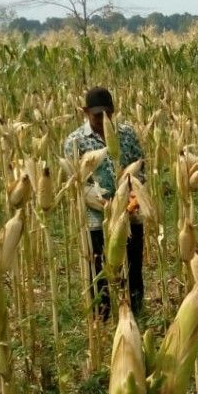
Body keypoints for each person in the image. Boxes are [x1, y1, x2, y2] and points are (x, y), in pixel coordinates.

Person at [64, 86, 145, 319]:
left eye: (107, 114)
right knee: (99, 271)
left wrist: (134, 194)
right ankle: (103, 317)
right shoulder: (75, 141)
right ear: (85, 112)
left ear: (113, 111)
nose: (102, 120)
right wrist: (102, 201)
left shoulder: (127, 134)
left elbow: (140, 168)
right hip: (96, 218)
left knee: (133, 266)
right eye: (96, 115)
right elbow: (76, 181)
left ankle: (135, 313)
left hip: (130, 214)